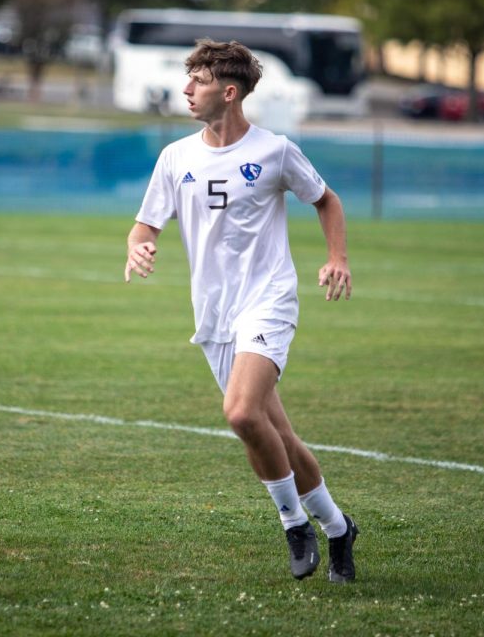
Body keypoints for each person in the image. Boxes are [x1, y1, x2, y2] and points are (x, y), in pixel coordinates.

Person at [124, 39, 359, 583]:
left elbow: (326, 199)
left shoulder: (274, 151)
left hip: (268, 299)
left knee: (241, 414)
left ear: (228, 93)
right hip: (215, 314)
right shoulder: (175, 157)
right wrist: (138, 244)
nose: (186, 89)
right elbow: (145, 224)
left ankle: (293, 524)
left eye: (198, 82)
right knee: (273, 433)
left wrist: (336, 257)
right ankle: (339, 527)